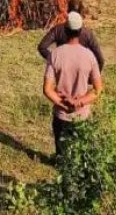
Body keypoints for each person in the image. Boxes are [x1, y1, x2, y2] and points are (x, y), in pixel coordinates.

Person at [43, 12, 104, 157]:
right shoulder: (89, 56)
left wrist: (63, 104)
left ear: (65, 30)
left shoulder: (55, 54)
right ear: (81, 31)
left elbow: (47, 89)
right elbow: (98, 89)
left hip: (61, 116)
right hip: (81, 116)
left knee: (61, 157)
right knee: (80, 157)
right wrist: (78, 102)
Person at [38, 0, 105, 71]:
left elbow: (42, 47)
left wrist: (56, 60)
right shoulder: (87, 33)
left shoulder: (58, 30)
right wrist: (93, 78)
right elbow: (101, 60)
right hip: (81, 72)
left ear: (68, 10)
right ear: (80, 13)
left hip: (63, 72)